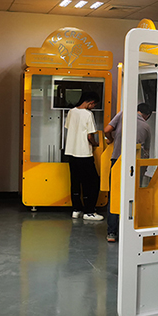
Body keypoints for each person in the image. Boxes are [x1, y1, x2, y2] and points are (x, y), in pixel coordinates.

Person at [103, 103, 152, 243]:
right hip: (135, 165)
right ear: (147, 115)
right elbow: (146, 152)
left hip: (118, 161)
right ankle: (130, 231)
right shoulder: (147, 128)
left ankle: (112, 233)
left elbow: (107, 129)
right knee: (132, 196)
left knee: (114, 196)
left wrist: (111, 139)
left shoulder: (123, 114)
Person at [64, 91, 103, 222]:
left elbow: (69, 128)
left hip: (71, 152)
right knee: (92, 182)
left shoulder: (71, 112)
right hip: (84, 153)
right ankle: (89, 211)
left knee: (75, 181)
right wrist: (95, 143)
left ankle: (76, 209)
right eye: (94, 105)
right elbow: (89, 136)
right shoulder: (88, 114)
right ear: (90, 102)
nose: (93, 107)